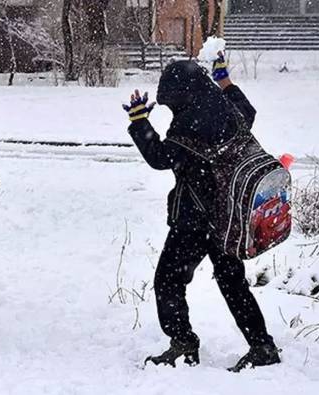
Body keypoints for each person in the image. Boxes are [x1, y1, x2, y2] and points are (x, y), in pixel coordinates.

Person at [123, 54, 281, 372]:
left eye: (172, 103)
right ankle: (262, 346)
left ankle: (182, 344)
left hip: (194, 220)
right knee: (233, 282)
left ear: (183, 94)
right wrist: (224, 79)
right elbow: (247, 110)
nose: (172, 110)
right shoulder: (228, 112)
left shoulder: (189, 124)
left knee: (168, 280)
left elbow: (160, 157)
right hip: (228, 217)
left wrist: (139, 121)